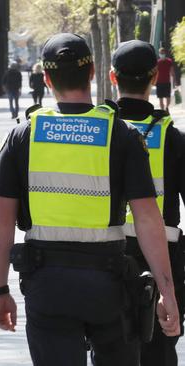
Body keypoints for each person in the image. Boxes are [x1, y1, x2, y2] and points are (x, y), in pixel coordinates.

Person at [0, 33, 181, 365]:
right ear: (92, 72)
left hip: (47, 286)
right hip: (109, 285)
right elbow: (149, 220)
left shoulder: (23, 136)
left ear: (46, 79)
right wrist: (168, 292)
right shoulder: (120, 134)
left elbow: (0, 222)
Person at [109, 39, 185, 366]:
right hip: (164, 260)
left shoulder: (101, 132)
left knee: (111, 347)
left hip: (107, 257)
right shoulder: (172, 137)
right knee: (160, 349)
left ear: (113, 77)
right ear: (155, 77)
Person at [156, 47, 177, 112]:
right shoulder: (157, 62)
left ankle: (167, 107)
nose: (162, 54)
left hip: (167, 82)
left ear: (165, 53)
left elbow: (172, 72)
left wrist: (175, 81)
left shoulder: (169, 61)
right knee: (160, 98)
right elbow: (155, 72)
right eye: (161, 53)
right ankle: (162, 110)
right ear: (159, 54)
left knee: (168, 97)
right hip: (159, 82)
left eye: (163, 53)